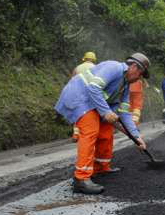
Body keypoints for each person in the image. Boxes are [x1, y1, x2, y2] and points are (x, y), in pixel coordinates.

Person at [55, 53, 150, 194]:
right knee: (91, 130)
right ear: (134, 67)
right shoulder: (114, 67)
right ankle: (80, 179)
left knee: (106, 131)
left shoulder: (124, 85)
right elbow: (93, 87)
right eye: (140, 74)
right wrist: (106, 112)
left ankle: (100, 167)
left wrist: (136, 137)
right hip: (80, 97)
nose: (139, 78)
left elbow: (124, 113)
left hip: (93, 103)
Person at [70, 52, 97, 141]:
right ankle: (89, 133)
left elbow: (72, 81)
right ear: (93, 59)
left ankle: (76, 135)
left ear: (84, 59)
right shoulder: (96, 68)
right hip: (91, 94)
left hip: (78, 94)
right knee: (91, 114)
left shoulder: (77, 68)